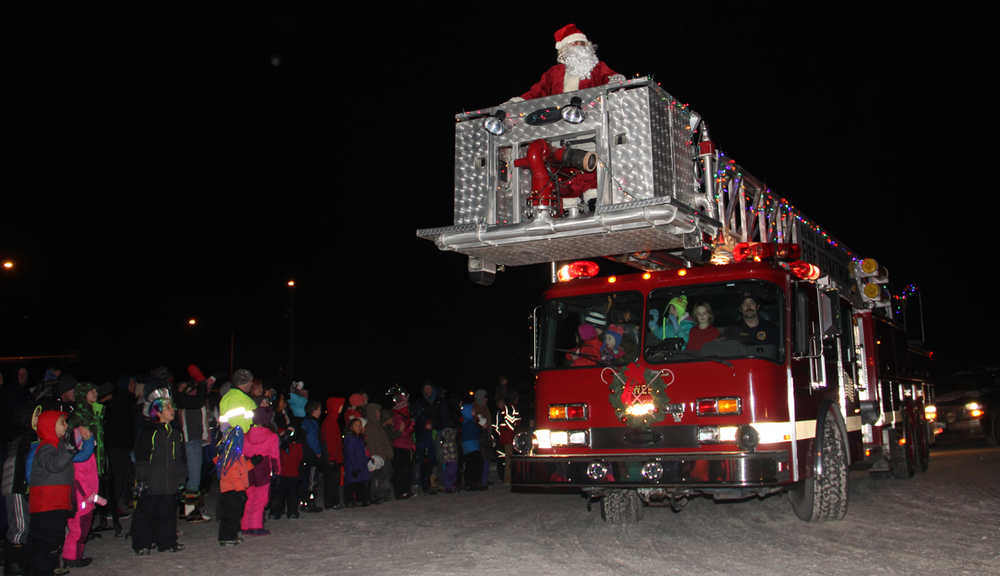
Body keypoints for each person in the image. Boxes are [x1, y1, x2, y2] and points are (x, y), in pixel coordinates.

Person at [131, 388, 186, 555]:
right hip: (152, 482)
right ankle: (143, 543)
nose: (173, 410)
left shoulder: (176, 433)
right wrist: (142, 478)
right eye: (169, 408)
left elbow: (180, 457)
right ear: (159, 412)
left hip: (170, 482)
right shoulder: (150, 433)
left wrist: (182, 476)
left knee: (168, 513)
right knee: (146, 513)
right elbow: (141, 457)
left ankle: (167, 541)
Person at [29, 411, 82, 576]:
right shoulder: (45, 447)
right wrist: (68, 449)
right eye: (62, 423)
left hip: (57, 502)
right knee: (46, 541)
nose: (66, 426)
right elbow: (54, 465)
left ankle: (49, 567)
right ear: (49, 427)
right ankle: (41, 570)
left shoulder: (58, 445)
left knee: (55, 538)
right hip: (46, 505)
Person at [516, 23, 623, 101]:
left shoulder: (598, 66)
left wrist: (615, 81)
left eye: (582, 43)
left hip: (592, 113)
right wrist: (519, 100)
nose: (579, 46)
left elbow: (610, 77)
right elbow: (538, 91)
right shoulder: (554, 72)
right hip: (559, 115)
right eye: (575, 43)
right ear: (565, 48)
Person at [62, 381, 104, 568]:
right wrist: (88, 444)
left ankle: (75, 554)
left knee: (84, 519)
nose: (95, 393)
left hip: (91, 467)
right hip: (81, 473)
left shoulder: (94, 412)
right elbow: (77, 451)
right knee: (78, 521)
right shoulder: (78, 417)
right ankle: (71, 556)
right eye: (91, 391)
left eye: (95, 390)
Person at [216, 368, 257, 546]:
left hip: (226, 444)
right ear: (247, 383)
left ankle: (229, 531)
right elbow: (252, 424)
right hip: (241, 444)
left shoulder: (225, 398)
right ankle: (229, 533)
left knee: (229, 491)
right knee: (236, 493)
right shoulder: (247, 401)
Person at [177, 365, 214, 523]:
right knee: (193, 478)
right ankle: (189, 511)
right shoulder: (191, 403)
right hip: (192, 441)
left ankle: (187, 508)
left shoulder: (194, 402)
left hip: (196, 441)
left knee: (194, 476)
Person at [2, 404, 36, 575]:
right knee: (19, 526)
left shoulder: (25, 437)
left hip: (21, 486)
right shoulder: (22, 439)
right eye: (35, 417)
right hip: (16, 486)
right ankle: (14, 565)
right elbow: (17, 467)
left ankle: (22, 562)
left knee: (24, 524)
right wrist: (23, 487)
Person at [241, 406, 280, 536]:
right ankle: (256, 525)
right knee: (261, 499)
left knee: (249, 498)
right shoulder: (272, 436)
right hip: (263, 470)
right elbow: (274, 456)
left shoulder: (246, 436)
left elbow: (242, 453)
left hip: (248, 469)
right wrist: (277, 470)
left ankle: (245, 525)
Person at [364, 402, 394, 504]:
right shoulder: (369, 427)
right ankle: (376, 496)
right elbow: (370, 444)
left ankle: (384, 494)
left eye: (379, 412)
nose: (379, 414)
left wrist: (389, 453)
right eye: (377, 412)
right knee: (377, 477)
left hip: (384, 456)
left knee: (385, 475)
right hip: (378, 457)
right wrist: (375, 457)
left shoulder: (378, 426)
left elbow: (385, 441)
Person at [388, 389, 414, 499]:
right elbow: (401, 433)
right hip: (400, 445)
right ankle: (400, 491)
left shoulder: (403, 415)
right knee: (401, 470)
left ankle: (406, 490)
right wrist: (411, 426)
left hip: (405, 445)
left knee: (406, 469)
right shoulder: (398, 415)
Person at [299, 400, 325, 513]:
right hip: (311, 456)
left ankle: (304, 502)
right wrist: (318, 451)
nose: (320, 412)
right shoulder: (311, 423)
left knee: (307, 479)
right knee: (312, 480)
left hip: (306, 456)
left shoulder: (305, 422)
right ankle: (310, 504)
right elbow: (312, 439)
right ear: (314, 410)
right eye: (319, 409)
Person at [272, 426, 303, 520]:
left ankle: (279, 512)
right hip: (289, 473)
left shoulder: (284, 446)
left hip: (285, 473)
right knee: (290, 494)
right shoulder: (295, 446)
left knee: (282, 494)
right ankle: (290, 511)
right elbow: (299, 458)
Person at [320, 396, 345, 510]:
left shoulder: (333, 420)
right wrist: (331, 457)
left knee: (334, 480)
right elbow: (329, 442)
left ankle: (333, 502)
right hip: (332, 458)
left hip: (334, 457)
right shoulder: (330, 421)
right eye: (340, 406)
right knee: (331, 481)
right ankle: (331, 502)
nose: (341, 408)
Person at [342, 417, 370, 507]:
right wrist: (354, 467)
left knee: (361, 483)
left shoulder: (360, 439)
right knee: (352, 484)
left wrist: (367, 459)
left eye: (360, 425)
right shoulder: (350, 439)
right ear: (351, 427)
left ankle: (360, 499)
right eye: (356, 425)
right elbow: (350, 454)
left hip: (361, 465)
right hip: (353, 466)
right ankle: (350, 500)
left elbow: (362, 453)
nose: (359, 427)